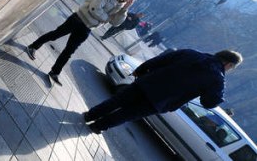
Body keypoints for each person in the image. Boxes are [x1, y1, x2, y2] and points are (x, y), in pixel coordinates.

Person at [83, 49, 243, 134]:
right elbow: (209, 102)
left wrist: (141, 70)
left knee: (117, 101)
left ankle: (90, 115)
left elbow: (160, 60)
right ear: (229, 64)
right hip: (161, 101)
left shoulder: (191, 53)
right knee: (127, 114)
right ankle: (98, 126)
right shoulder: (217, 79)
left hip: (146, 83)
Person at [26, 0, 145, 86]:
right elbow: (95, 8)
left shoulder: (122, 4)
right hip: (78, 18)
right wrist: (106, 18)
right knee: (55, 35)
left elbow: (115, 23)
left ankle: (55, 72)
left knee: (69, 51)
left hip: (88, 27)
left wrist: (125, 9)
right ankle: (33, 46)